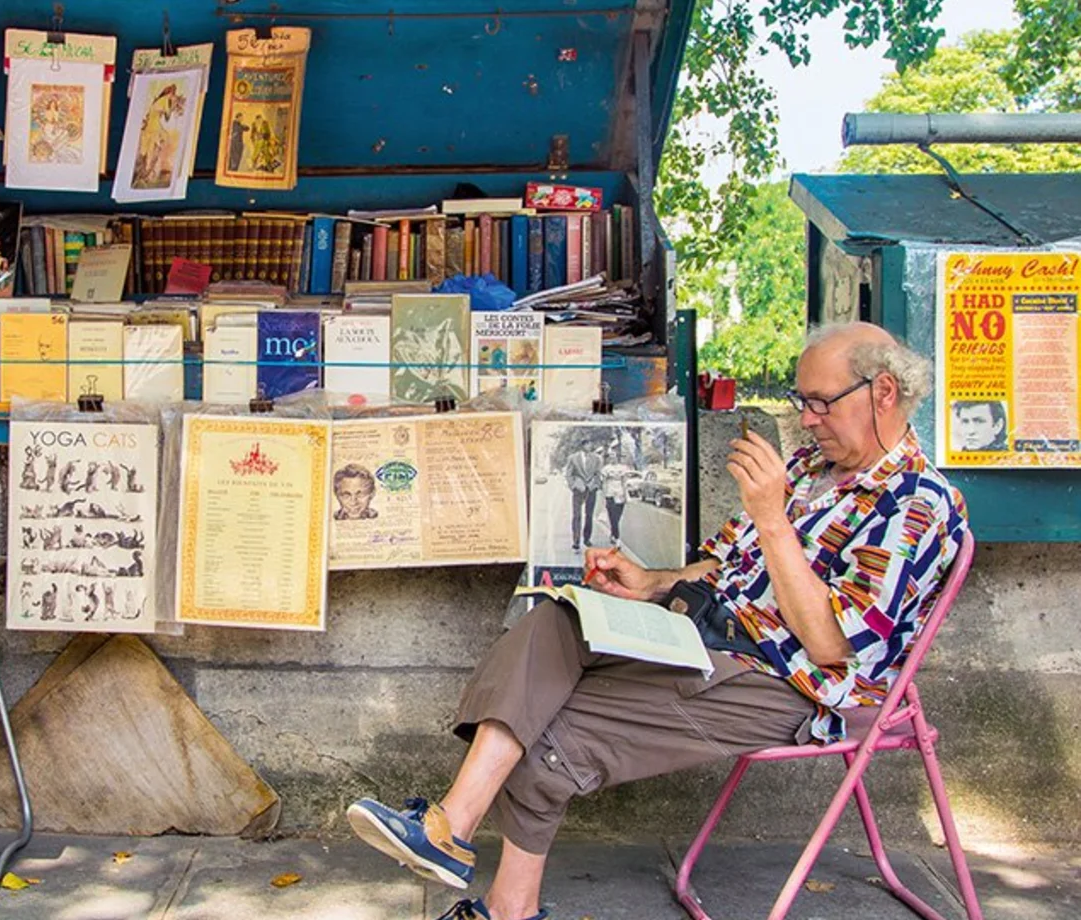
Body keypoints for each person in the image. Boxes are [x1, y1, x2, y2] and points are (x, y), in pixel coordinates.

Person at [345, 322, 966, 920]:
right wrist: (651, 583)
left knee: (553, 731)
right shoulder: (807, 470)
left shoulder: (916, 502)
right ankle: (451, 826)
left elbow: (833, 646)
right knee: (552, 620)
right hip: (708, 635)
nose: (806, 419)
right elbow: (722, 569)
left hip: (790, 681)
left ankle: (508, 908)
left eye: (821, 403)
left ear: (883, 392)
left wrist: (773, 521)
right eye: (800, 401)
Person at [562, 442, 604, 550]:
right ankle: (576, 541)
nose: (590, 447)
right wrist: (573, 485)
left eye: (591, 445)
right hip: (578, 489)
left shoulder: (596, 458)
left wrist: (596, 485)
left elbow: (598, 473)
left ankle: (587, 538)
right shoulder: (573, 458)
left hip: (591, 489)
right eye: (587, 445)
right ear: (582, 446)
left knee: (589, 515)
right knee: (577, 515)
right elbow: (569, 473)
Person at [598, 446, 630, 546]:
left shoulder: (623, 468)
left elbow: (625, 482)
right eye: (611, 456)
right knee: (613, 517)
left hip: (620, 493)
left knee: (617, 517)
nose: (613, 458)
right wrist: (603, 496)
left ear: (617, 457)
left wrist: (626, 495)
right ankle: (617, 538)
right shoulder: (606, 469)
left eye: (614, 456)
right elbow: (602, 482)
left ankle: (613, 534)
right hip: (610, 494)